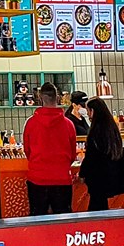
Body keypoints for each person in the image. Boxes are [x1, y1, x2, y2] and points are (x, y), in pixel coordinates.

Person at [23, 83, 77, 216]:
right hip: (62, 178)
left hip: (37, 178)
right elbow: (72, 154)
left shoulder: (31, 123)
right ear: (57, 98)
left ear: (40, 98)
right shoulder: (69, 125)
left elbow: (27, 151)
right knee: (63, 220)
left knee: (37, 219)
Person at [78, 97, 124, 212]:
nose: (87, 114)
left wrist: (82, 173)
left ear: (93, 111)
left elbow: (91, 156)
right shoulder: (111, 127)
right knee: (100, 206)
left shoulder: (96, 130)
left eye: (88, 110)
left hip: (97, 177)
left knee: (96, 207)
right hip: (111, 174)